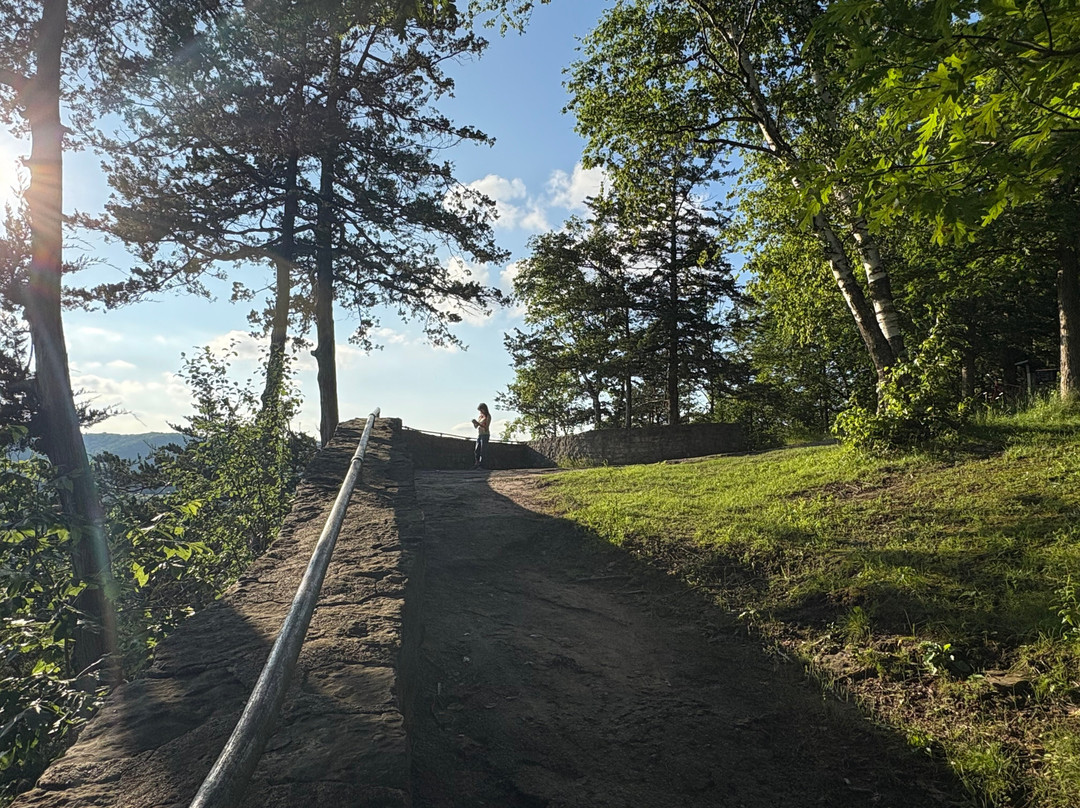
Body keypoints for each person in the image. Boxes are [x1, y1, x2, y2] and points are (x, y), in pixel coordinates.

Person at [471, 403, 491, 469]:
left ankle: (482, 465)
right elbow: (476, 426)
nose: (481, 411)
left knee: (483, 451)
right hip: (479, 434)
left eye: (481, 410)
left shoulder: (488, 416)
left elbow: (486, 427)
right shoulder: (480, 417)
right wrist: (474, 423)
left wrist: (478, 423)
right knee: (477, 450)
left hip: (485, 434)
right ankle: (477, 463)